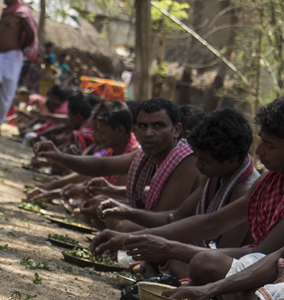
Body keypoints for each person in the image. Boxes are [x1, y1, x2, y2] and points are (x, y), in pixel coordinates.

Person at [93, 101, 281, 291]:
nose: (259, 151)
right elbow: (207, 222)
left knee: (202, 263)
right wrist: (130, 237)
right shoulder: (264, 181)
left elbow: (258, 255)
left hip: (259, 274)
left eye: (269, 145)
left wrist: (170, 248)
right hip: (226, 262)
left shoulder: (246, 184)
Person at [32, 98, 202, 229]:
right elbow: (102, 166)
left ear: (177, 130)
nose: (149, 133)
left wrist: (119, 208)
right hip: (155, 226)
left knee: (123, 225)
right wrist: (58, 156)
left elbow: (162, 220)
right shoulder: (146, 154)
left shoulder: (186, 161)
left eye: (158, 126)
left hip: (177, 235)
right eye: (143, 126)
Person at [0, 0, 37, 135]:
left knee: (5, 90)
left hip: (12, 57)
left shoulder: (22, 12)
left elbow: (31, 33)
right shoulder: (6, 12)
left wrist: (19, 47)